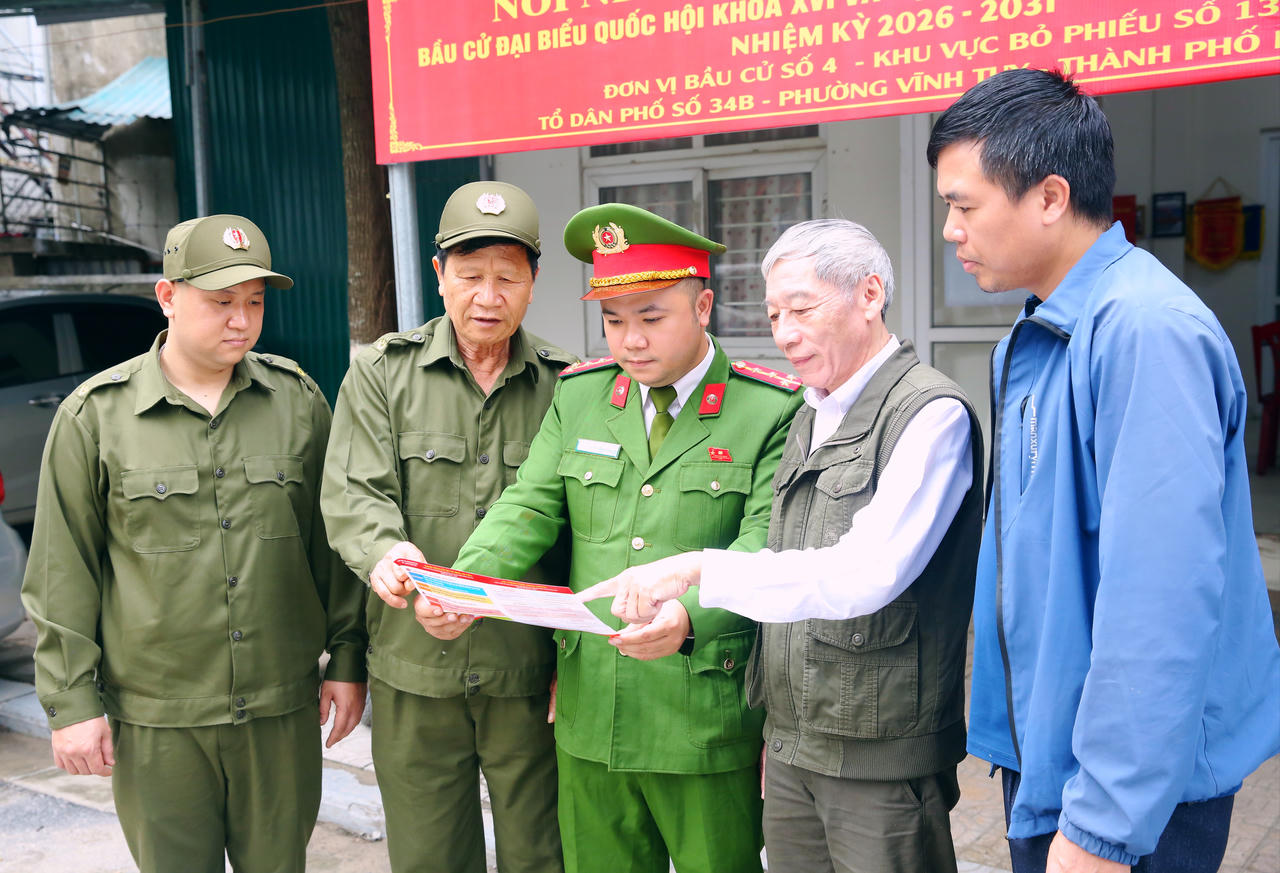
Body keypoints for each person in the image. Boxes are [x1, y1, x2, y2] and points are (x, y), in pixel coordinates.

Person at [926, 68, 1280, 871]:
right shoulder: (1047, 326)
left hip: (1130, 795)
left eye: (963, 205)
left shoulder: (1143, 332)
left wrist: (1102, 828)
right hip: (1057, 749)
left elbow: (1159, 598)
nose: (951, 228)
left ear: (1050, 196)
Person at [401, 202, 805, 873]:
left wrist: (686, 615)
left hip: (702, 712)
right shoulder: (583, 396)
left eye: (651, 317)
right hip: (595, 714)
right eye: (614, 321)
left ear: (702, 307)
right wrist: (463, 585)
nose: (630, 341)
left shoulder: (768, 410)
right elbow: (529, 505)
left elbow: (763, 542)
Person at [580, 218, 984, 872]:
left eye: (802, 308)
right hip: (794, 747)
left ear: (870, 294)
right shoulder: (809, 414)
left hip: (878, 757)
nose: (786, 332)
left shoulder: (928, 414)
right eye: (773, 314)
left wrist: (696, 570)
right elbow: (779, 552)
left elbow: (864, 574)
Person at [21, 214, 368, 873]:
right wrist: (72, 703)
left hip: (279, 709)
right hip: (159, 721)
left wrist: (348, 657)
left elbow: (333, 543)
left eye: (255, 302)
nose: (241, 320)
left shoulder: (297, 401)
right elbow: (63, 569)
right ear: (168, 296)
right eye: (221, 302)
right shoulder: (96, 415)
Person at [321, 181, 575, 873]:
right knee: (430, 856)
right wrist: (388, 554)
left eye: (505, 277)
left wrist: (578, 664)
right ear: (439, 276)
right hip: (413, 669)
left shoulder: (571, 386)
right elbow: (355, 493)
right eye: (469, 276)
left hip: (528, 673)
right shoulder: (380, 373)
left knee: (542, 854)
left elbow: (588, 533)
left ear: (532, 282)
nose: (486, 297)